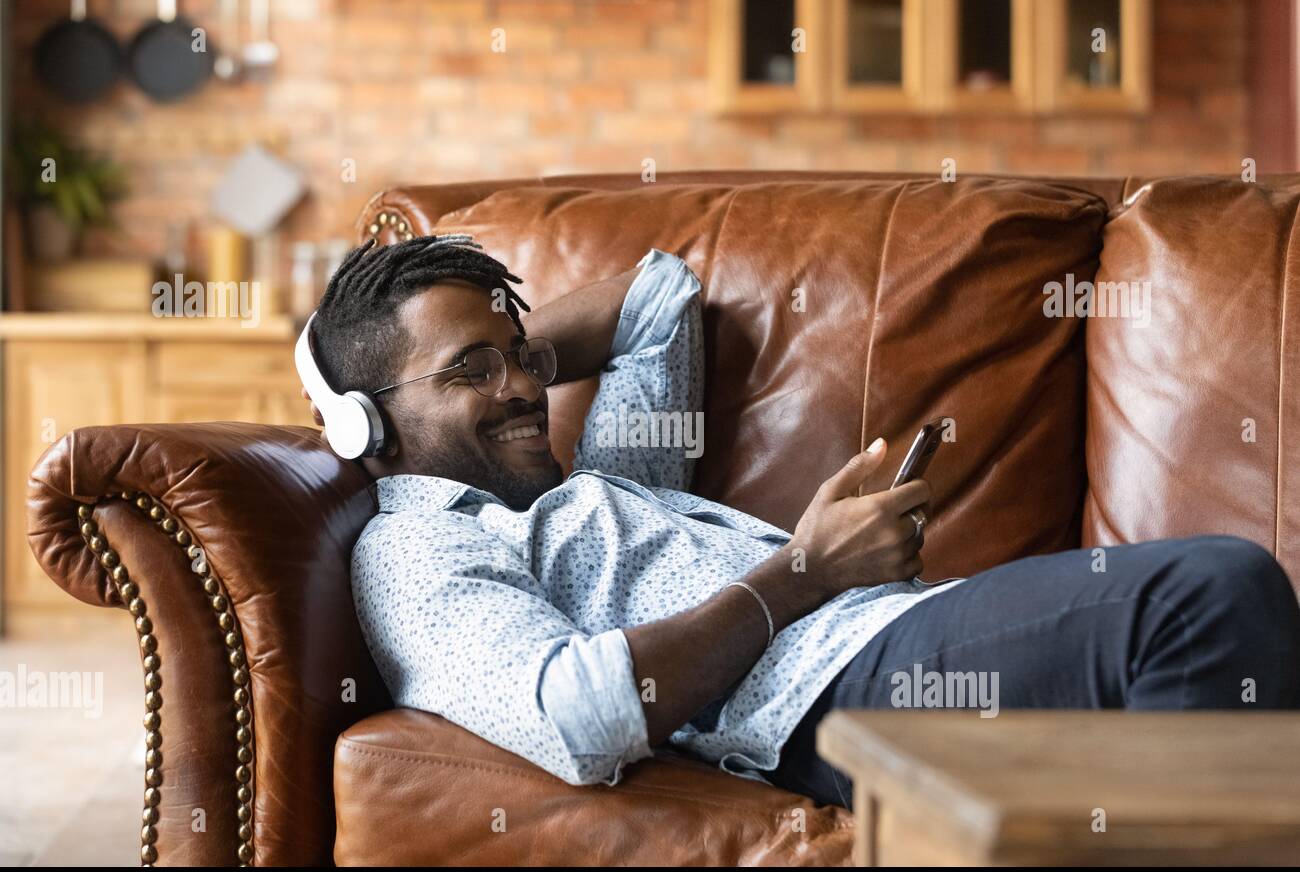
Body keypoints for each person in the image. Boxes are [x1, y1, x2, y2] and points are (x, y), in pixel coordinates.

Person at [300, 234, 1300, 810]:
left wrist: (486, 357)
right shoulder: (419, 547)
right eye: (474, 370)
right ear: (365, 423)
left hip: (885, 639)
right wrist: (805, 573)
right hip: (833, 694)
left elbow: (656, 298)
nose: (522, 385)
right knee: (1207, 593)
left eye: (524, 357)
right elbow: (580, 716)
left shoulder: (597, 483)